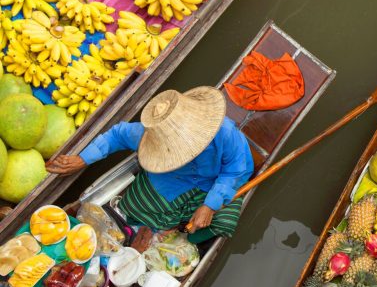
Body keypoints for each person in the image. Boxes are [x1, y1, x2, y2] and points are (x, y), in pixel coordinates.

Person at [47, 86, 254, 243]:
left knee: (225, 221)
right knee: (134, 208)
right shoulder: (149, 136)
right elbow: (116, 135)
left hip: (212, 184)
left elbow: (238, 169)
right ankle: (160, 229)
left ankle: (185, 240)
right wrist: (82, 159)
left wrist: (210, 205)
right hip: (170, 182)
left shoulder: (225, 133)